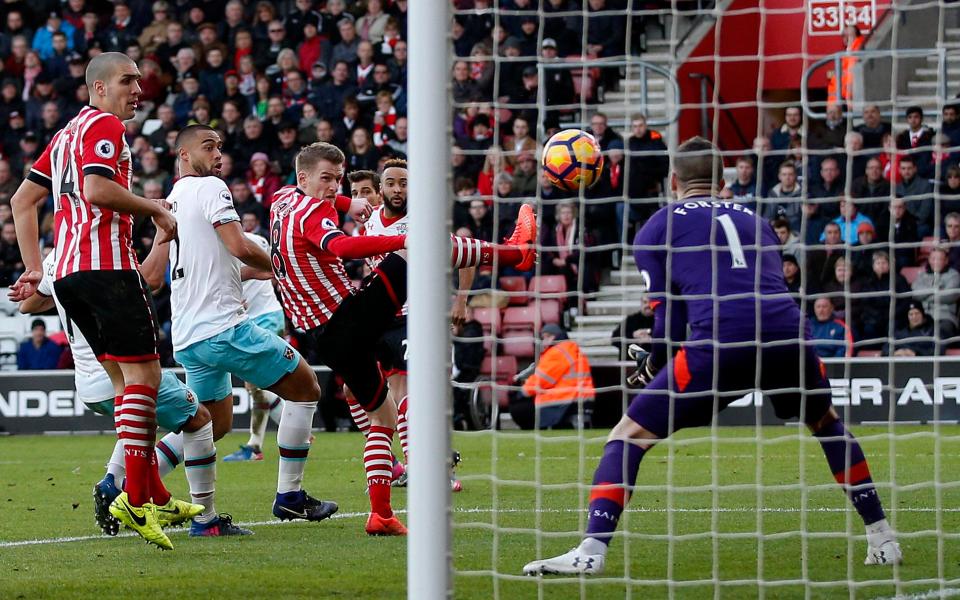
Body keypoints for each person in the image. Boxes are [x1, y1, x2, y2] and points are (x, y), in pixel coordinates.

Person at [522, 137, 901, 576]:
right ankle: (883, 536)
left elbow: (669, 318)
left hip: (720, 339)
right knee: (826, 424)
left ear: (673, 180)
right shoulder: (756, 221)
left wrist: (657, 362)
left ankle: (591, 550)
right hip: (786, 333)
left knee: (627, 436)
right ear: (722, 181)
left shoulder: (656, 228)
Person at [270, 142, 536, 536]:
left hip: (323, 337)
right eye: (325, 179)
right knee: (418, 247)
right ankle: (515, 254)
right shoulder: (312, 212)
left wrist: (346, 204)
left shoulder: (280, 202)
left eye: (338, 179)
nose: (333, 187)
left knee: (383, 417)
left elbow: (319, 204)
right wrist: (398, 240)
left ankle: (381, 515)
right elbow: (340, 245)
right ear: (303, 178)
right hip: (347, 319)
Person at [9, 52, 183, 550]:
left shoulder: (64, 134)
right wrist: (155, 210)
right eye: (128, 81)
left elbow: (22, 201)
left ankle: (151, 492)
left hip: (67, 274)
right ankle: (136, 496)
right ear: (99, 88)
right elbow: (97, 189)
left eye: (139, 81)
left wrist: (36, 267)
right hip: (106, 266)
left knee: (126, 384)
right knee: (145, 379)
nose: (138, 89)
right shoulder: (104, 124)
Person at [163, 125, 341, 531]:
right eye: (209, 147)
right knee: (307, 386)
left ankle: (174, 504)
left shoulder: (174, 198)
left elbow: (222, 262)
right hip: (223, 326)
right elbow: (239, 245)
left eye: (220, 146)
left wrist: (259, 271)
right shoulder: (210, 187)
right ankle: (291, 497)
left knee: (212, 422)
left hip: (189, 334)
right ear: (185, 155)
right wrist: (286, 264)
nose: (218, 154)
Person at [20, 249, 228, 537]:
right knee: (202, 419)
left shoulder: (57, 257)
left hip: (88, 382)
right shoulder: (103, 252)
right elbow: (153, 280)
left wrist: (57, 292)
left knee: (143, 420)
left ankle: (114, 481)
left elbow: (27, 305)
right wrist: (162, 237)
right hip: (122, 370)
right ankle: (205, 520)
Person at [352, 163, 474, 491]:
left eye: (403, 184)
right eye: (390, 184)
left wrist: (461, 300)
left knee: (409, 397)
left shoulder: (423, 222)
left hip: (415, 318)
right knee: (359, 391)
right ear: (381, 191)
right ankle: (402, 463)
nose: (397, 190)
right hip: (380, 320)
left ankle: (423, 468)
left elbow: (469, 255)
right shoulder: (368, 225)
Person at [221, 231, 288, 463]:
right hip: (265, 315)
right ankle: (255, 445)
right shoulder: (255, 240)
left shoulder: (229, 243)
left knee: (254, 383)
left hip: (262, 317)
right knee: (256, 387)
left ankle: (296, 426)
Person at [508, 324, 595, 429]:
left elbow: (541, 379)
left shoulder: (558, 352)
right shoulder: (571, 349)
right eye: (543, 338)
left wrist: (521, 393)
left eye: (547, 337)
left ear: (556, 336)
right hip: (579, 398)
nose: (544, 341)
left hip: (566, 400)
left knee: (518, 408)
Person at [910, 247, 960, 343]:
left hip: (945, 317)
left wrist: (925, 294)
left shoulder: (954, 275)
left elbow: (949, 296)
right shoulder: (922, 276)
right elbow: (914, 294)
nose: (936, 262)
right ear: (929, 260)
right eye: (933, 259)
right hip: (922, 317)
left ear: (946, 261)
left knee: (940, 335)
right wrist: (935, 289)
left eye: (939, 259)